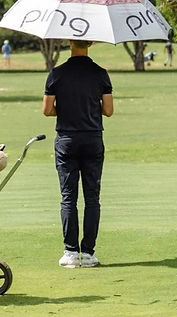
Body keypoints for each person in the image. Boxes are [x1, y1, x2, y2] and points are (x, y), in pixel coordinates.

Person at [42, 40, 113, 268]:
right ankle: (89, 253)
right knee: (92, 197)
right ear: (90, 42)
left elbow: (47, 110)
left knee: (68, 197)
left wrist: (66, 109)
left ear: (69, 42)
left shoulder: (56, 74)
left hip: (66, 140)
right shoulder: (100, 74)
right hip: (93, 138)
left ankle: (71, 252)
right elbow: (109, 110)